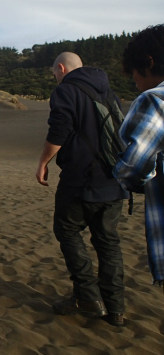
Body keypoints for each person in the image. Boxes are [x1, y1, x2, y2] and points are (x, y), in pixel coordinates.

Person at [36, 52, 129, 327]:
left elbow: (59, 130)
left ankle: (87, 296)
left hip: (81, 179)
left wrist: (43, 163)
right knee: (108, 242)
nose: (55, 78)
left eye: (54, 73)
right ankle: (116, 308)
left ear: (61, 68)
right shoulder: (109, 92)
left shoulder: (65, 91)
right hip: (114, 180)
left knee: (66, 230)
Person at [113, 24, 164, 290]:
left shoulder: (154, 100)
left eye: (133, 70)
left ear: (149, 61)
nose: (133, 79)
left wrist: (127, 179)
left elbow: (133, 167)